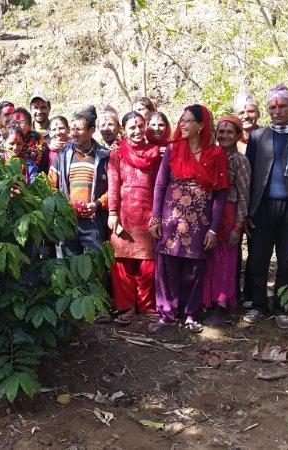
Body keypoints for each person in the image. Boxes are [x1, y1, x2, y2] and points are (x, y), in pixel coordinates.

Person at [149, 105, 230, 334]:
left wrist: (213, 229)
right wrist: (155, 218)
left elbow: (221, 193)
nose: (182, 124)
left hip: (199, 220)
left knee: (194, 267)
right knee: (167, 266)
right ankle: (167, 314)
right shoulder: (173, 150)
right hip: (170, 219)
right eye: (181, 120)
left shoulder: (215, 154)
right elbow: (160, 184)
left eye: (188, 121)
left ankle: (190, 314)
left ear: (201, 125)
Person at [243, 84, 288, 329]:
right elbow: (249, 177)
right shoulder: (257, 136)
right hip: (262, 208)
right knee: (257, 258)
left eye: (282, 105)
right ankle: (258, 304)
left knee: (287, 261)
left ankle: (283, 307)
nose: (277, 111)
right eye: (273, 107)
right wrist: (246, 212)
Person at [106, 111, 161, 325]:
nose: (137, 131)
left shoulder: (155, 153)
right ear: (124, 131)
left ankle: (147, 306)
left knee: (148, 264)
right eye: (132, 127)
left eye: (140, 126)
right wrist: (112, 213)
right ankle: (126, 307)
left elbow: (159, 185)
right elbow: (113, 184)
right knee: (121, 262)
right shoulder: (117, 154)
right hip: (123, 214)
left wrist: (158, 216)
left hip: (148, 214)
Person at [201, 115, 251, 325]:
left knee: (226, 260)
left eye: (230, 132)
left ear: (238, 135)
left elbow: (244, 194)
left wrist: (238, 226)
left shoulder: (240, 160)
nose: (225, 135)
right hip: (208, 213)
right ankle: (208, 301)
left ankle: (223, 305)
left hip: (229, 214)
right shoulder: (209, 155)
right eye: (221, 131)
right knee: (209, 260)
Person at [49, 106, 110, 253]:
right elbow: (50, 185)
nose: (74, 134)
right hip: (68, 221)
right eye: (73, 129)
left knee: (94, 266)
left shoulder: (104, 156)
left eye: (80, 129)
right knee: (69, 267)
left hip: (94, 222)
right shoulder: (63, 155)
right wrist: (65, 207)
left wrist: (96, 204)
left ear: (91, 130)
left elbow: (113, 189)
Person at [8, 107, 48, 173]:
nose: (17, 125)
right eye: (13, 122)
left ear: (29, 125)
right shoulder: (4, 142)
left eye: (21, 122)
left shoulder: (39, 143)